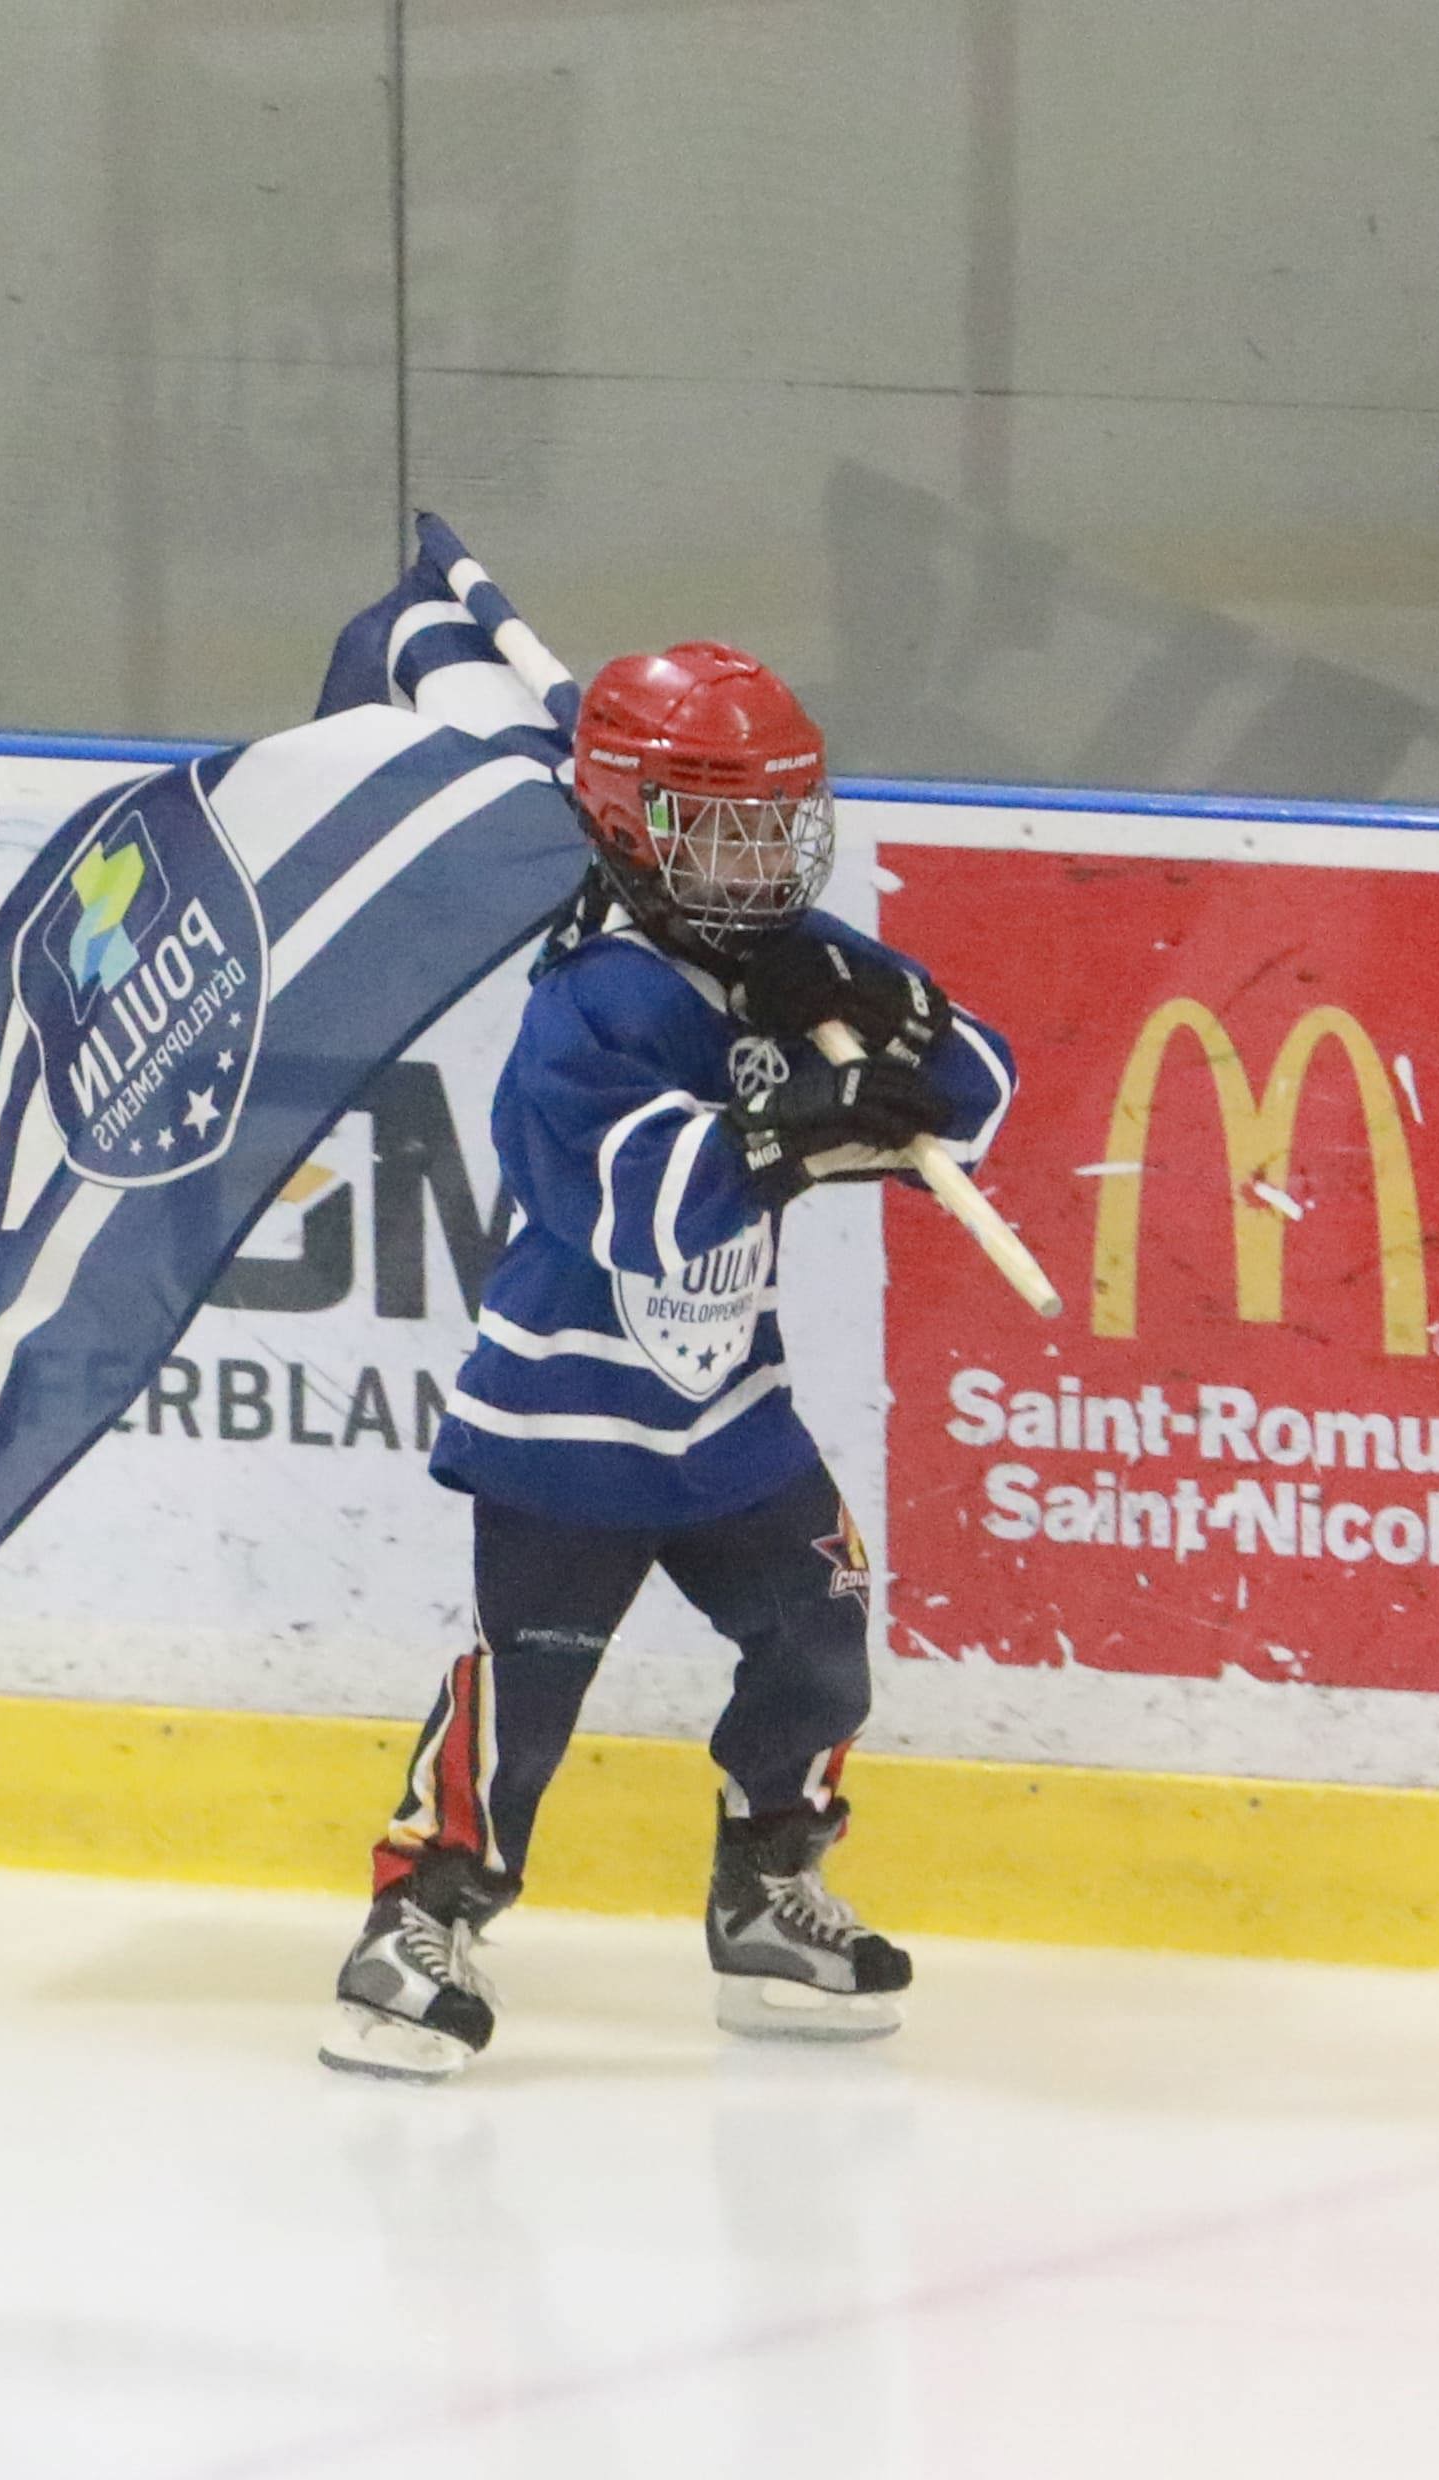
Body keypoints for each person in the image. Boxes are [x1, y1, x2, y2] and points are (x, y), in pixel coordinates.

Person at [319, 644, 1016, 2084]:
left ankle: (765, 1888)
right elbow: (639, 1208)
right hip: (568, 1422)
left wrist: (902, 1024)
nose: (761, 859)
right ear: (635, 827)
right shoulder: (592, 1003)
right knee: (532, 1687)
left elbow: (979, 1100)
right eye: (722, 825)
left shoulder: (792, 961)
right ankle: (416, 1918)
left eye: (777, 819)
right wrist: (809, 1126)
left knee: (822, 1635)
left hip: (728, 1414)